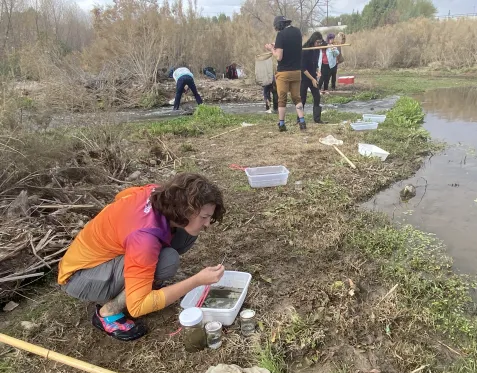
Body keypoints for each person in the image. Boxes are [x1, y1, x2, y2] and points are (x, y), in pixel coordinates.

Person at [57, 173, 226, 341]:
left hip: (106, 255)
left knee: (187, 234)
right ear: (183, 209)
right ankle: (108, 312)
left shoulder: (158, 193)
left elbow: (122, 196)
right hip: (81, 278)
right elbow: (137, 307)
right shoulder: (144, 239)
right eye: (204, 217)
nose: (207, 224)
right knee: (167, 260)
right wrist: (197, 280)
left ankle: (141, 281)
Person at [265, 15, 306, 132]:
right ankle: (302, 122)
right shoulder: (297, 32)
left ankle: (281, 124)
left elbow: (279, 56)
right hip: (297, 71)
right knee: (297, 97)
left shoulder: (281, 35)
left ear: (279, 26)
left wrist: (271, 49)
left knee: (282, 98)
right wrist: (276, 44)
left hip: (284, 73)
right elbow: (290, 45)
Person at [301, 32, 324, 124]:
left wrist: (318, 71)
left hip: (313, 77)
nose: (319, 44)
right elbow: (303, 68)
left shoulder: (317, 50)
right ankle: (299, 119)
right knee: (302, 98)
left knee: (317, 96)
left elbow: (315, 63)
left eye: (320, 43)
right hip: (304, 77)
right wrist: (312, 79)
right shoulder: (305, 50)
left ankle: (317, 119)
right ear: (313, 40)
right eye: (317, 42)